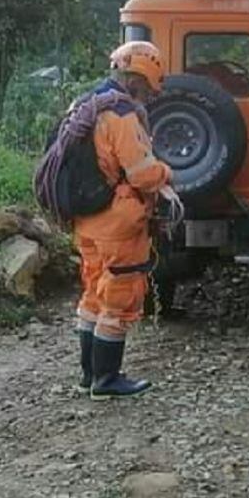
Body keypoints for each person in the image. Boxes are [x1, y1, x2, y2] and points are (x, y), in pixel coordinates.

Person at [71, 41, 175, 400]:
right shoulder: (122, 115)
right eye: (148, 87)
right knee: (119, 298)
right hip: (117, 221)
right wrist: (166, 171)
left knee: (93, 295)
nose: (148, 95)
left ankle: (88, 376)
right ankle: (107, 380)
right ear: (139, 79)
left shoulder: (84, 105)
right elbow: (143, 175)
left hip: (86, 219)